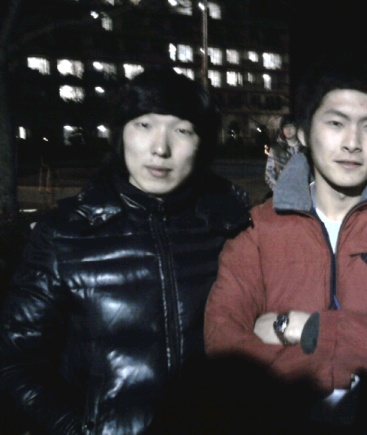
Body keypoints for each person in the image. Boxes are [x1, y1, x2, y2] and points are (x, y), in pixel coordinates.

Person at [204, 50, 367, 433]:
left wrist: (305, 328)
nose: (352, 142)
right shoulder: (256, 229)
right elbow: (228, 352)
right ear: (303, 132)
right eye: (335, 123)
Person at [0, 66, 252, 434]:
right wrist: (79, 429)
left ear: (203, 143)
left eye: (182, 130)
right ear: (120, 135)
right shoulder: (66, 233)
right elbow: (16, 362)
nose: (160, 148)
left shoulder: (231, 225)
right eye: (144, 125)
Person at [264, 113, 305, 194]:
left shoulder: (304, 150)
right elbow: (269, 174)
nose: (288, 130)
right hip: (283, 193)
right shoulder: (276, 149)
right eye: (285, 127)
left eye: (291, 126)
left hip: (303, 194)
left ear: (296, 128)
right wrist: (279, 189)